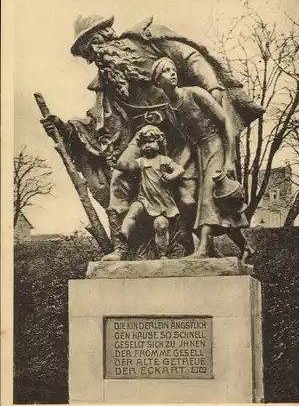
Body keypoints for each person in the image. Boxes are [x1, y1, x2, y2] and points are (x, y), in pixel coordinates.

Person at [41, 15, 263, 260]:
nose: (92, 58)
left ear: (100, 39)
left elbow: (188, 56)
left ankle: (188, 245)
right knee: (119, 176)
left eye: (91, 49)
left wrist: (212, 87)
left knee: (190, 192)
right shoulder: (107, 77)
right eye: (88, 55)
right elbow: (100, 123)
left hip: (184, 131)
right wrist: (65, 128)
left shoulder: (147, 41)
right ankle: (122, 248)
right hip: (145, 136)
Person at [152, 57, 254, 262]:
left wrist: (229, 160)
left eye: (173, 69)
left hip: (216, 146)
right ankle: (244, 247)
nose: (172, 73)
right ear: (157, 81)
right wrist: (179, 168)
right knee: (189, 200)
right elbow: (190, 142)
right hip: (198, 152)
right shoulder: (169, 110)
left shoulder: (194, 93)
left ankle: (203, 249)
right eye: (166, 71)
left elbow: (225, 121)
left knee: (208, 196)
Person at [115, 126, 185, 259]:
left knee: (161, 225)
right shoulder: (141, 161)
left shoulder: (164, 160)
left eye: (151, 141)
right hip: (144, 199)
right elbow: (125, 165)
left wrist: (172, 176)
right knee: (133, 211)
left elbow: (180, 169)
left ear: (159, 142)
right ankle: (123, 234)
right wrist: (117, 162)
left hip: (162, 203)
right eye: (144, 143)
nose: (147, 145)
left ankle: (163, 254)